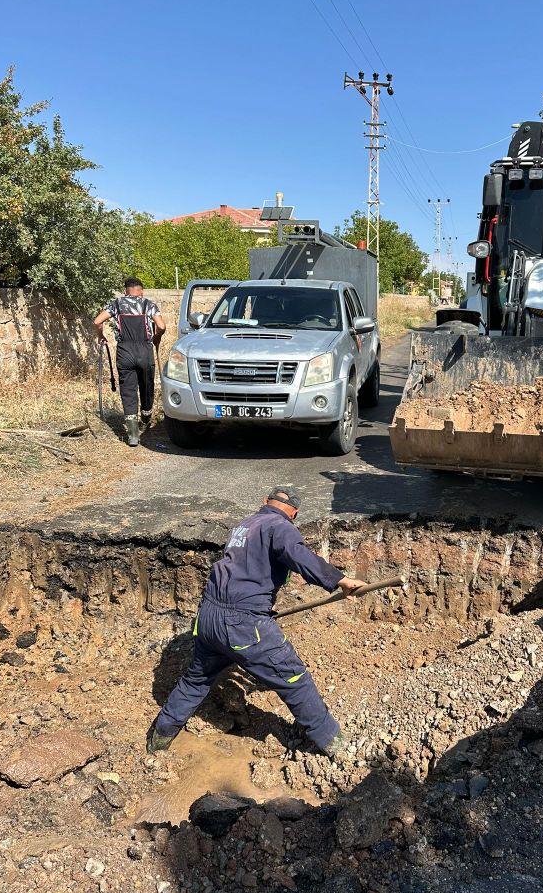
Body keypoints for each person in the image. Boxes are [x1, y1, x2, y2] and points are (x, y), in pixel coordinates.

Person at [147, 486, 366, 757]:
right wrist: (340, 580)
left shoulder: (245, 525)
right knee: (294, 677)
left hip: (208, 617)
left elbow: (246, 569)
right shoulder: (280, 526)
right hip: (242, 623)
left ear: (265, 502)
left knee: (196, 680)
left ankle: (160, 738)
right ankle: (335, 744)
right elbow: (300, 557)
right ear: (294, 513)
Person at [93, 277, 166, 447]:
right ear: (141, 290)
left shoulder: (116, 304)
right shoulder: (148, 304)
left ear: (125, 290)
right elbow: (161, 326)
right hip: (145, 350)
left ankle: (133, 435)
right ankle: (146, 417)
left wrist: (101, 336)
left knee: (128, 390)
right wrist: (156, 338)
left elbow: (97, 321)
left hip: (124, 351)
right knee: (147, 385)